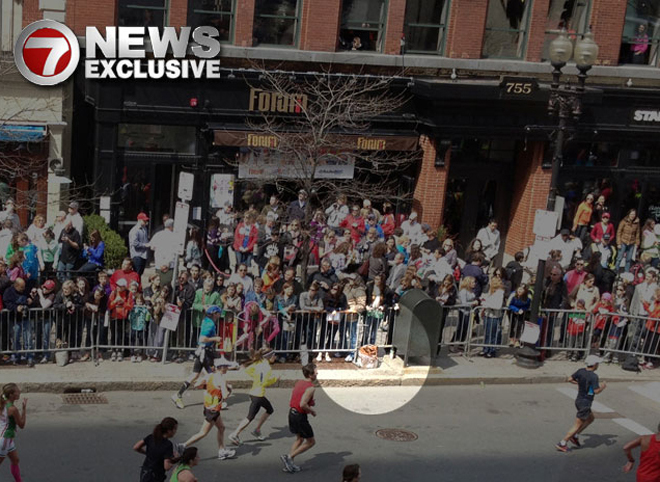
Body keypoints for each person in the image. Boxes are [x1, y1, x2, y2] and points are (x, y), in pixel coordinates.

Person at [180, 356, 237, 460]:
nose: (227, 368)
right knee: (203, 433)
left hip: (208, 407)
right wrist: (229, 389)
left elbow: (197, 385)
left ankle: (221, 450)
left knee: (221, 428)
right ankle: (183, 446)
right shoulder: (222, 380)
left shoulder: (210, 376)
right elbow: (225, 396)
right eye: (226, 366)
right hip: (213, 410)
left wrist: (209, 387)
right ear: (221, 367)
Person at [172, 306, 225, 409]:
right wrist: (215, 339)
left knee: (195, 375)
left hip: (202, 351)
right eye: (219, 313)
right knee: (212, 376)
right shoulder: (210, 324)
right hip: (205, 353)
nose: (220, 315)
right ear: (215, 314)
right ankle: (215, 400)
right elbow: (202, 338)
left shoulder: (206, 321)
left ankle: (178, 395)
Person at [228, 347, 279, 446]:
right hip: (258, 395)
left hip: (254, 393)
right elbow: (264, 383)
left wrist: (256, 377)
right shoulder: (267, 367)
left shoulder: (258, 363)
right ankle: (235, 434)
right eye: (274, 355)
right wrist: (275, 379)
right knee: (250, 417)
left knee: (269, 409)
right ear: (269, 357)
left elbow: (248, 371)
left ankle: (257, 430)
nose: (275, 357)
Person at [556, 354, 606, 452]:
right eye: (597, 363)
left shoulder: (581, 371)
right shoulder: (594, 376)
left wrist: (579, 383)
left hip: (579, 400)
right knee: (577, 425)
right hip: (585, 403)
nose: (598, 365)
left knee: (591, 418)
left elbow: (569, 379)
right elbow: (596, 391)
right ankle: (563, 442)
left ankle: (575, 435)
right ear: (594, 364)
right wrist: (603, 387)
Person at [280, 363, 317, 474]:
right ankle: (289, 457)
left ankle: (289, 464)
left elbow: (298, 397)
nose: (317, 374)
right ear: (310, 375)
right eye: (316, 372)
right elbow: (302, 404)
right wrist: (312, 411)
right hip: (300, 416)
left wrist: (311, 403)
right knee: (311, 441)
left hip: (292, 413)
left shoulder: (299, 382)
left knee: (299, 439)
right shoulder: (311, 388)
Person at [133, 416, 178, 482]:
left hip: (145, 472)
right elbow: (167, 467)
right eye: (175, 429)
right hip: (156, 476)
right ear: (169, 430)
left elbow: (136, 447)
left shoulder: (151, 437)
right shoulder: (168, 445)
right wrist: (174, 459)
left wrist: (147, 453)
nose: (175, 432)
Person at [0, 383, 27, 482]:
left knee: (15, 460)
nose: (19, 392)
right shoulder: (12, 409)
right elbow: (21, 425)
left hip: (7, 438)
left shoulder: (2, 402)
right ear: (11, 395)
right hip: (4, 440)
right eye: (17, 391)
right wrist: (24, 409)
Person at [616, 208, 640, 273]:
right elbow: (619, 232)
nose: (632, 216)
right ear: (629, 214)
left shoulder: (637, 223)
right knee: (619, 258)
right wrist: (618, 243)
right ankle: (616, 271)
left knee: (628, 259)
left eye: (634, 214)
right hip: (623, 241)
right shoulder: (623, 221)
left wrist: (637, 243)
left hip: (631, 242)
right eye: (631, 214)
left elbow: (637, 233)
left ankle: (626, 272)